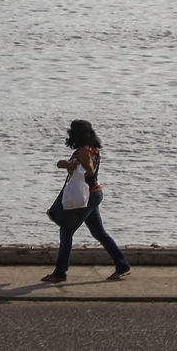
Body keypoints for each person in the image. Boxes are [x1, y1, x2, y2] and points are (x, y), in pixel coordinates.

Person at [42, 119, 131, 283]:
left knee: (66, 231)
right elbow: (86, 169)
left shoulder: (83, 151)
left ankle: (60, 273)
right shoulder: (93, 150)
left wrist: (67, 165)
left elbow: (88, 169)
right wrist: (70, 165)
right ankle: (122, 265)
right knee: (99, 233)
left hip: (87, 196)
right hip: (94, 194)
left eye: (71, 130)